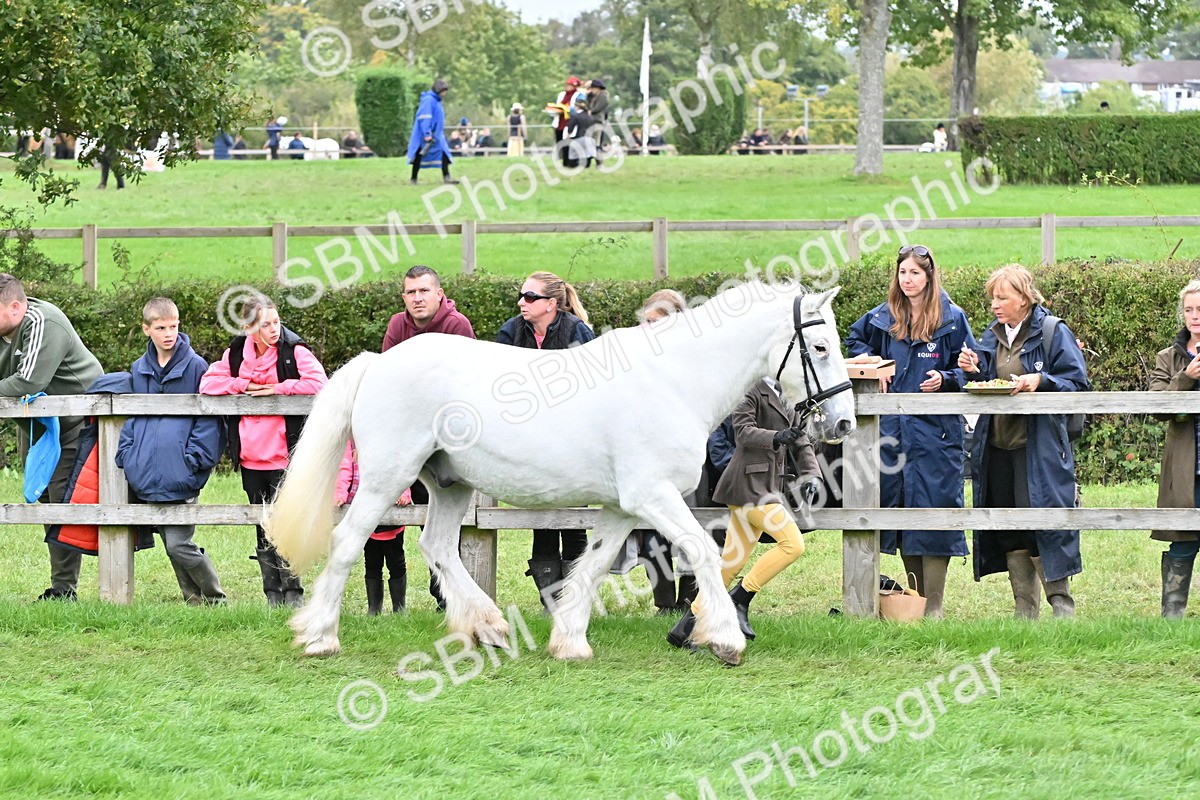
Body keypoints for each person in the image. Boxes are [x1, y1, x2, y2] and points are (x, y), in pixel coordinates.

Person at [846, 244, 979, 618]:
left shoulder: (952, 317)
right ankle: (913, 603)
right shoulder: (880, 317)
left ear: (930, 276)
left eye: (915, 273)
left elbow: (972, 365)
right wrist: (874, 364)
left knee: (935, 514)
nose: (908, 280)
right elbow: (854, 342)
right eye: (903, 273)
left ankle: (933, 606)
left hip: (936, 435)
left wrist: (948, 376)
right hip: (892, 434)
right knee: (901, 513)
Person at [959, 265, 1088, 619]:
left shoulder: (1052, 331)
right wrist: (973, 369)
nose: (995, 305)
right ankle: (1024, 611)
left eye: (1002, 297)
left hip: (1038, 448)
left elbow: (1077, 383)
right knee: (1009, 528)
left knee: (1041, 524)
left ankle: (1062, 606)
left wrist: (1041, 380)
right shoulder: (992, 336)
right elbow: (990, 377)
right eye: (992, 298)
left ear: (1024, 298)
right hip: (997, 447)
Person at [668, 378, 822, 648]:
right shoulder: (748, 390)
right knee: (793, 545)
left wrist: (812, 474)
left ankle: (685, 628)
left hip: (768, 486)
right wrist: (775, 436)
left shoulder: (789, 391)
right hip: (748, 485)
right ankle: (741, 597)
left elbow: (801, 440)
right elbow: (743, 433)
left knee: (730, 563)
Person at [200, 294, 328, 607]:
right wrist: (244, 385)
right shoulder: (235, 354)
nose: (273, 329)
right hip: (250, 455)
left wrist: (278, 388)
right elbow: (208, 383)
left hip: (284, 453)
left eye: (276, 322)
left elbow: (320, 382)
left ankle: (293, 592)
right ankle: (271, 593)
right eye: (265, 324)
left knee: (285, 520)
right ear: (248, 328)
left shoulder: (292, 351)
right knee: (261, 522)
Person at [0, 275, 104, 600]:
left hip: (78, 420)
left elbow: (28, 382)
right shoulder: (7, 329)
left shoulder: (43, 322)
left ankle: (63, 589)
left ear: (16, 306)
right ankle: (61, 588)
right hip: (41, 425)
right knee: (42, 497)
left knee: (62, 500)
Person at [116, 298, 225, 604]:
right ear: (146, 329)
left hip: (181, 471)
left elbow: (208, 417)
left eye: (174, 326)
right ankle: (193, 599)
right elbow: (133, 416)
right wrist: (127, 453)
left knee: (179, 543)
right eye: (161, 327)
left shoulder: (197, 367)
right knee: (169, 541)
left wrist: (195, 461)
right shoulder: (139, 368)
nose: (169, 333)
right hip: (147, 471)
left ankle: (215, 597)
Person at [496, 271, 595, 607]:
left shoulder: (577, 331)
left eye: (530, 297)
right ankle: (550, 602)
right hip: (529, 438)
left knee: (575, 520)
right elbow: (496, 381)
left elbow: (591, 387)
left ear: (552, 303)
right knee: (542, 518)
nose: (522, 302)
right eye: (521, 295)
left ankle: (578, 598)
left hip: (572, 439)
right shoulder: (512, 330)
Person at [381, 265, 477, 610]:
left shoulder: (457, 326)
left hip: (452, 433)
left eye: (424, 291)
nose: (417, 298)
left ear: (439, 294)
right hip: (411, 432)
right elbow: (389, 380)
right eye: (410, 292)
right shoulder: (397, 325)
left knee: (448, 514)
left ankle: (446, 595)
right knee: (407, 515)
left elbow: (467, 384)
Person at [1149, 279, 1200, 617]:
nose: (1195, 316)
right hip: (1186, 463)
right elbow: (1157, 406)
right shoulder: (1168, 358)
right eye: (1189, 310)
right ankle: (1172, 614)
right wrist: (1186, 377)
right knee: (1183, 536)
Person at [336, 444, 412, 615]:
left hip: (391, 507)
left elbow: (402, 467)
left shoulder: (391, 437)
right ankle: (374, 609)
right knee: (372, 562)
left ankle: (399, 609)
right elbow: (345, 468)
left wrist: (404, 493)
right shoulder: (353, 441)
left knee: (396, 561)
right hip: (365, 509)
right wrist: (340, 493)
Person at [407, 78, 458, 186]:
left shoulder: (436, 101)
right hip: (426, 134)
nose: (444, 94)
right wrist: (427, 134)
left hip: (437, 134)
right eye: (443, 91)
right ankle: (413, 178)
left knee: (444, 153)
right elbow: (425, 117)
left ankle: (446, 176)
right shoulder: (428, 100)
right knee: (419, 154)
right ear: (438, 90)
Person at [550, 76, 584, 166]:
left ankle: (571, 161)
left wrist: (568, 109)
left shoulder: (579, 94)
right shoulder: (562, 94)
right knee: (560, 142)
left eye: (570, 85)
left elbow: (580, 108)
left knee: (570, 142)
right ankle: (564, 161)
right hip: (560, 121)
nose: (568, 87)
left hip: (571, 122)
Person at [566, 97, 598, 169]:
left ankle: (573, 164)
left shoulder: (575, 116)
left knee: (573, 152)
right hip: (590, 138)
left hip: (580, 137)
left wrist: (568, 135)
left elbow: (571, 127)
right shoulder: (590, 117)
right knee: (587, 152)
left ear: (577, 107)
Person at [587, 78, 610, 155]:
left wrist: (591, 111)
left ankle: (597, 155)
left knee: (596, 139)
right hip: (593, 119)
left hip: (598, 119)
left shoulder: (603, 95)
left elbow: (599, 106)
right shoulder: (595, 95)